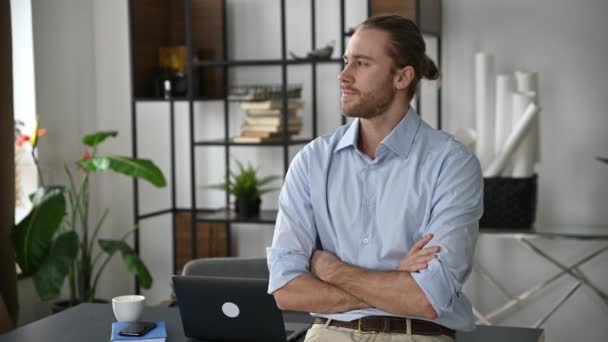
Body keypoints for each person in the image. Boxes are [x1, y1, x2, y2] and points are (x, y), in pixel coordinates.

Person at [267, 15, 483, 342]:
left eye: (362, 64)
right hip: (328, 333)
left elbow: (426, 299)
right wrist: (396, 279)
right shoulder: (311, 161)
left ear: (403, 77)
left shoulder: (451, 164)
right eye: (345, 62)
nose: (344, 76)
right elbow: (287, 291)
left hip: (416, 335)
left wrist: (332, 271)